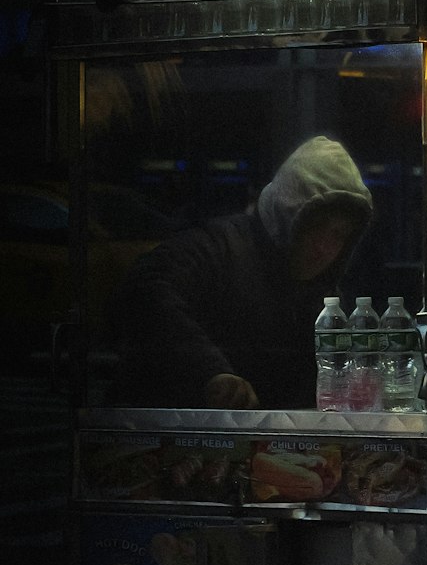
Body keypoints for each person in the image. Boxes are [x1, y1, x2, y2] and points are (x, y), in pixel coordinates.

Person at [111, 135, 373, 409]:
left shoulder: (324, 301)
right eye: (314, 226)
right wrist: (212, 373)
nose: (323, 247)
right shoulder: (218, 248)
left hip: (263, 447)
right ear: (286, 215)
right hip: (173, 435)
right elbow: (144, 289)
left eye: (338, 236)